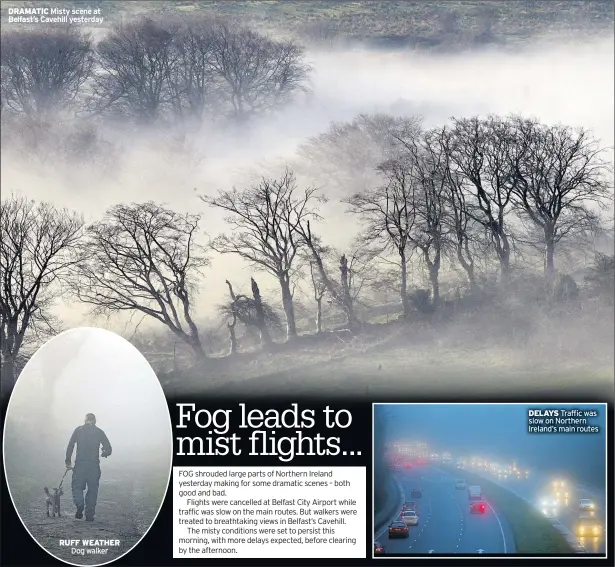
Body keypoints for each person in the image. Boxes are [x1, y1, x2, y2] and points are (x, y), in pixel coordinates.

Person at [65, 413, 112, 521]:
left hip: (80, 465)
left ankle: (79, 504)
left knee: (77, 487)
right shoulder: (99, 432)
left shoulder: (78, 430)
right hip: (93, 466)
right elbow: (108, 448)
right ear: (94, 421)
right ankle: (89, 514)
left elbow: (70, 445)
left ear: (85, 420)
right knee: (92, 490)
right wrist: (104, 453)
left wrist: (68, 461)